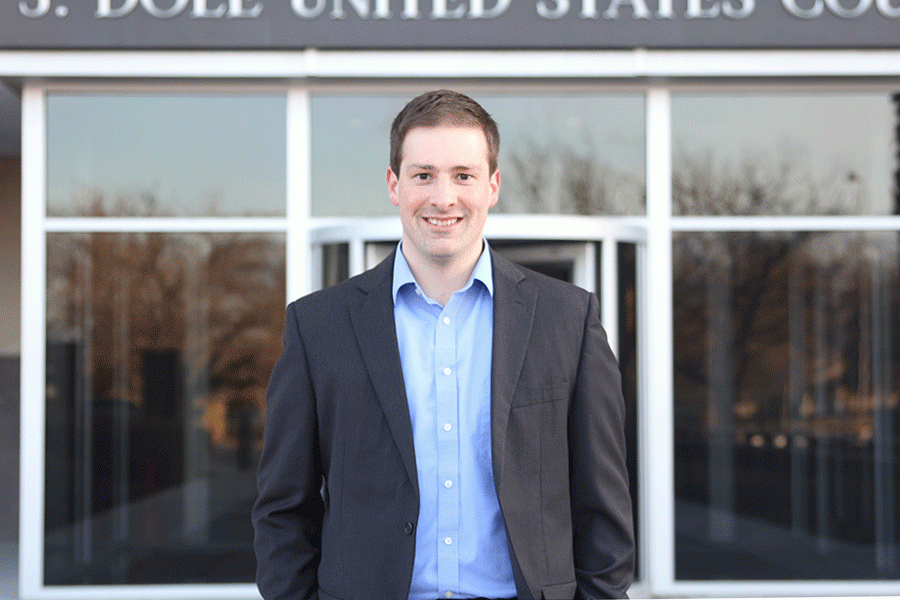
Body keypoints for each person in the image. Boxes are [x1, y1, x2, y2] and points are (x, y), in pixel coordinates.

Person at [252, 89, 634, 600]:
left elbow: (603, 510)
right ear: (394, 184)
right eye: (423, 175)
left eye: (463, 175)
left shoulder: (568, 320)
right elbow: (282, 509)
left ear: (493, 185)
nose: (443, 197)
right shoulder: (319, 326)